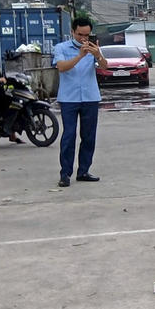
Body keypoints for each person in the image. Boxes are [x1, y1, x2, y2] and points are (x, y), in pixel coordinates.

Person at [52, 17, 107, 188]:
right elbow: (61, 67)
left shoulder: (94, 48)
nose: (83, 38)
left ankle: (83, 171)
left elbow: (105, 67)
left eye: (87, 35)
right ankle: (65, 174)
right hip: (69, 98)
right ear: (72, 32)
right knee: (69, 135)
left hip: (90, 97)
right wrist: (79, 56)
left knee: (89, 136)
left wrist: (97, 54)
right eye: (79, 35)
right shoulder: (61, 48)